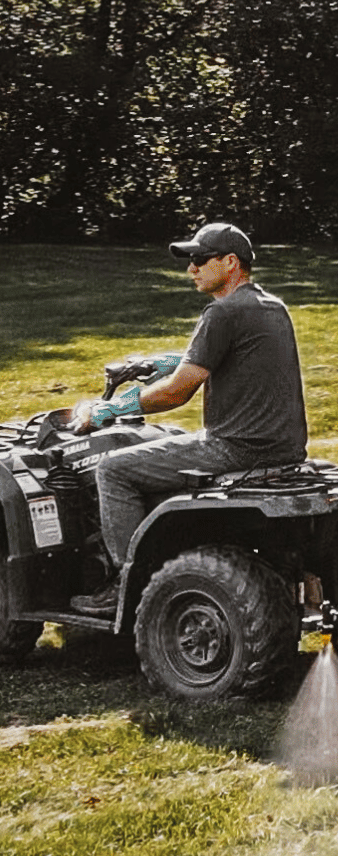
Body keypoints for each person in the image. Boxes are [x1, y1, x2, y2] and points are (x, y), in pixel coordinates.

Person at [69, 222, 308, 617]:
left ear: (230, 263)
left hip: (235, 449)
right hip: (281, 446)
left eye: (199, 259)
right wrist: (156, 362)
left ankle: (130, 585)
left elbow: (177, 391)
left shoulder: (223, 312)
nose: (191, 269)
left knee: (113, 469)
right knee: (169, 441)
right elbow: (223, 358)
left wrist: (111, 408)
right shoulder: (271, 307)